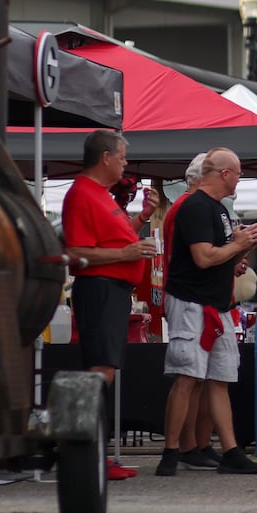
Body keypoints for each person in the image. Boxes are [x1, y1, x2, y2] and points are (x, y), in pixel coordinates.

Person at [156, 148, 257, 477]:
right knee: (188, 377)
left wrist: (235, 254)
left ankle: (230, 450)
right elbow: (203, 257)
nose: (240, 179)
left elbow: (212, 256)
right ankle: (172, 450)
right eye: (238, 173)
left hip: (217, 305)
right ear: (224, 174)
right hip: (192, 304)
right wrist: (239, 245)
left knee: (219, 378)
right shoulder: (193, 206)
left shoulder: (216, 209)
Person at [62, 129, 160, 481]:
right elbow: (75, 253)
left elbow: (116, 237)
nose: (125, 164)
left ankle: (96, 454)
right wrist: (125, 253)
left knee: (105, 371)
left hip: (113, 290)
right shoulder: (82, 195)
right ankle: (89, 454)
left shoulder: (99, 195)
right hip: (100, 289)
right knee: (99, 372)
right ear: (105, 158)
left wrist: (142, 217)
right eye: (122, 158)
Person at [158, 152, 219, 469]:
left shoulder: (188, 206)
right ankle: (181, 447)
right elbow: (196, 256)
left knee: (198, 376)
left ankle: (192, 444)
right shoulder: (187, 207)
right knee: (188, 376)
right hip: (188, 297)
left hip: (196, 296)